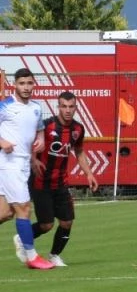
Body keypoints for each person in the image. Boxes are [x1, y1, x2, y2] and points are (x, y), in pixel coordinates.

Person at [21, 91, 100, 267]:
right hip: (41, 181)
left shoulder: (78, 129)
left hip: (61, 182)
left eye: (71, 107)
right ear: (58, 107)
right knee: (46, 225)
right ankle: (22, 238)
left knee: (67, 222)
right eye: (64, 106)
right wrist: (33, 160)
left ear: (76, 108)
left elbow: (79, 151)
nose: (67, 110)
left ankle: (54, 255)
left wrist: (89, 173)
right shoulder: (46, 126)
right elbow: (30, 144)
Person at [0, 68, 52, 269]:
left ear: (34, 85)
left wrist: (40, 142)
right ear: (15, 85)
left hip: (23, 164)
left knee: (5, 213)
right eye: (22, 84)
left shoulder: (36, 108)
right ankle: (31, 256)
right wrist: (2, 141)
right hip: (8, 163)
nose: (26, 87)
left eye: (29, 83)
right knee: (24, 207)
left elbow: (39, 131)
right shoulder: (5, 106)